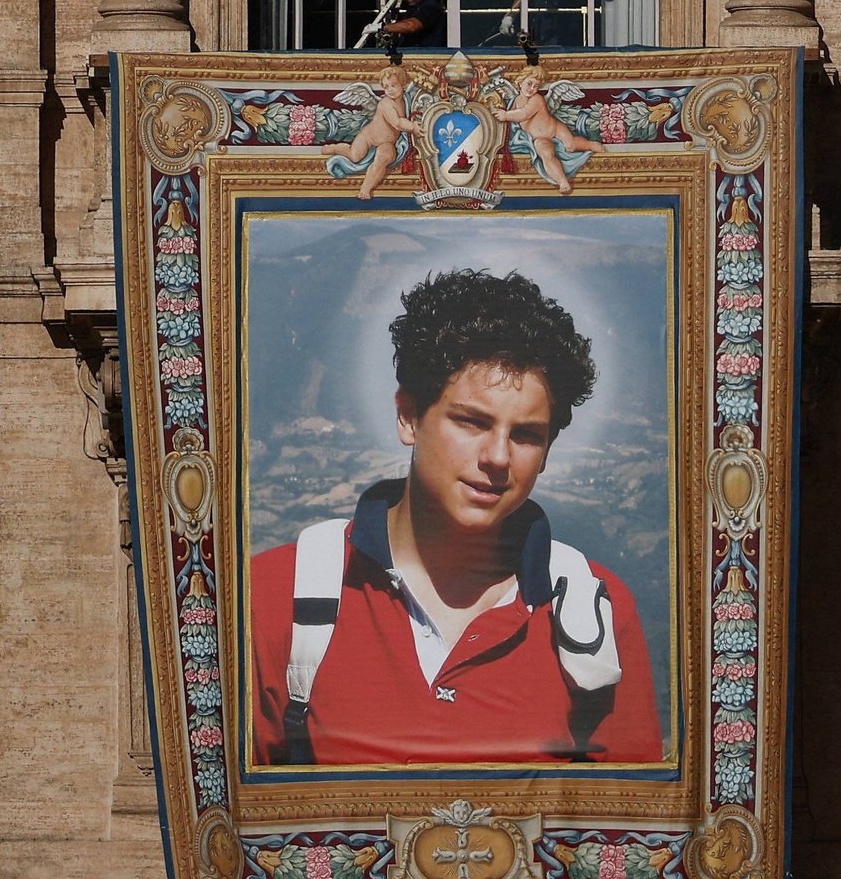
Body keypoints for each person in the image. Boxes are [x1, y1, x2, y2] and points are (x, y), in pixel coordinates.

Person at [251, 270, 660, 765]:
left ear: (548, 450)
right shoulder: (274, 597)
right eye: (471, 422)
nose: (498, 457)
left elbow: (626, 810)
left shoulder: (594, 615)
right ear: (408, 416)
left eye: (526, 435)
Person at [493, 64, 604, 194]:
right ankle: (562, 181)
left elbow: (524, 114)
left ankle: (590, 145)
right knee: (546, 155)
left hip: (555, 129)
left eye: (536, 86)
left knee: (571, 145)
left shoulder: (536, 99)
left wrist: (506, 115)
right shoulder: (515, 101)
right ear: (520, 82)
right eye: (529, 84)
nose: (532, 89)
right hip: (539, 139)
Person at [321, 64, 419, 199]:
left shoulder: (405, 101)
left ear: (403, 84)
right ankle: (335, 148)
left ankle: (366, 188)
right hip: (368, 137)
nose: (390, 90)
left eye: (393, 85)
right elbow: (397, 123)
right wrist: (413, 127)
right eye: (386, 87)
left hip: (387, 142)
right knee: (355, 156)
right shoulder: (386, 103)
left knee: (383, 158)